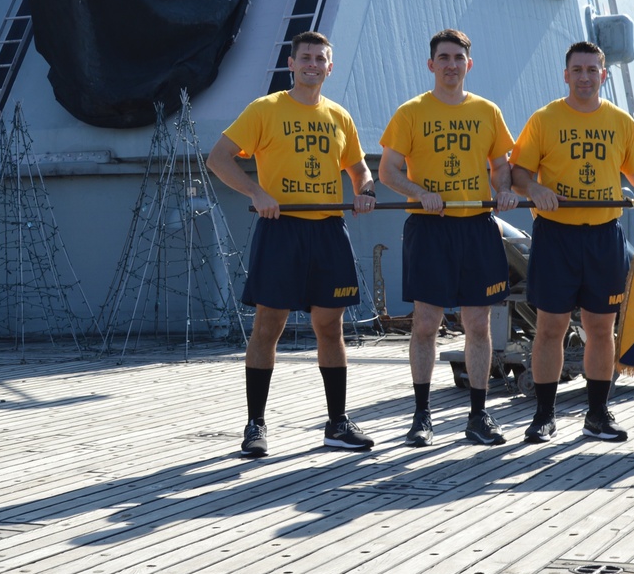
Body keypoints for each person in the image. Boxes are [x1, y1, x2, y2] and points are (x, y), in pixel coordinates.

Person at [510, 40, 634, 444]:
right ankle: (543, 416)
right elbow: (519, 173)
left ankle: (598, 414)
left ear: (603, 75)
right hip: (556, 236)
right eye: (578, 70)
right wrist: (534, 189)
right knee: (549, 328)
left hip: (604, 236)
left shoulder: (620, 122)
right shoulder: (544, 119)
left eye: (592, 70)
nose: (585, 77)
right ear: (565, 75)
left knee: (601, 329)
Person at [207, 31, 377, 458]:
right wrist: (256, 193)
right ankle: (255, 425)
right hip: (281, 228)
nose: (313, 65)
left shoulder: (340, 116)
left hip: (327, 231)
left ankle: (336, 424)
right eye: (306, 58)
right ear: (292, 63)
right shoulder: (265, 110)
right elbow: (219, 158)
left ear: (329, 67)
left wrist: (366, 190)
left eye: (320, 59)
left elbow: (359, 169)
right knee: (268, 326)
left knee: (330, 327)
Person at [378, 28, 521, 447]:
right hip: (430, 227)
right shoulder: (411, 112)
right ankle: (421, 417)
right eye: (444, 57)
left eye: (458, 58)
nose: (451, 65)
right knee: (426, 323)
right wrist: (420, 194)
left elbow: (500, 166)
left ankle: (478, 415)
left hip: (476, 226)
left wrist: (504, 191)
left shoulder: (487, 111)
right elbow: (388, 171)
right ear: (431, 64)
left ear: (468, 65)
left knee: (479, 323)